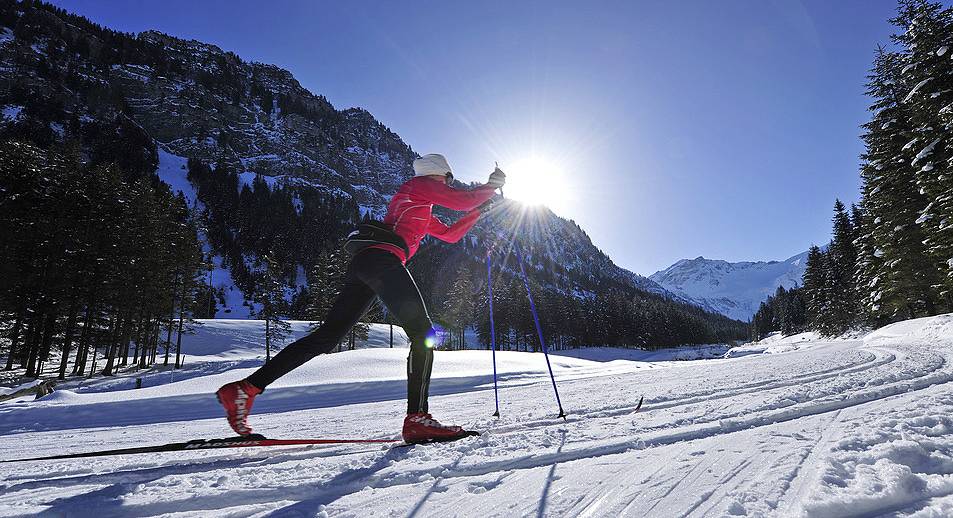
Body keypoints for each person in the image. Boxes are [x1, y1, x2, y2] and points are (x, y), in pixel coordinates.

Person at [216, 154, 505, 443]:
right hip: (383, 262)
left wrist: (481, 210)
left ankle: (246, 389)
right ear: (441, 175)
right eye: (449, 179)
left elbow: (451, 234)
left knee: (327, 338)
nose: (449, 184)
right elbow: (460, 201)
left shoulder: (420, 206)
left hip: (366, 265)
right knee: (423, 334)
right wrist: (490, 187)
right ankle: (417, 418)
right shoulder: (418, 186)